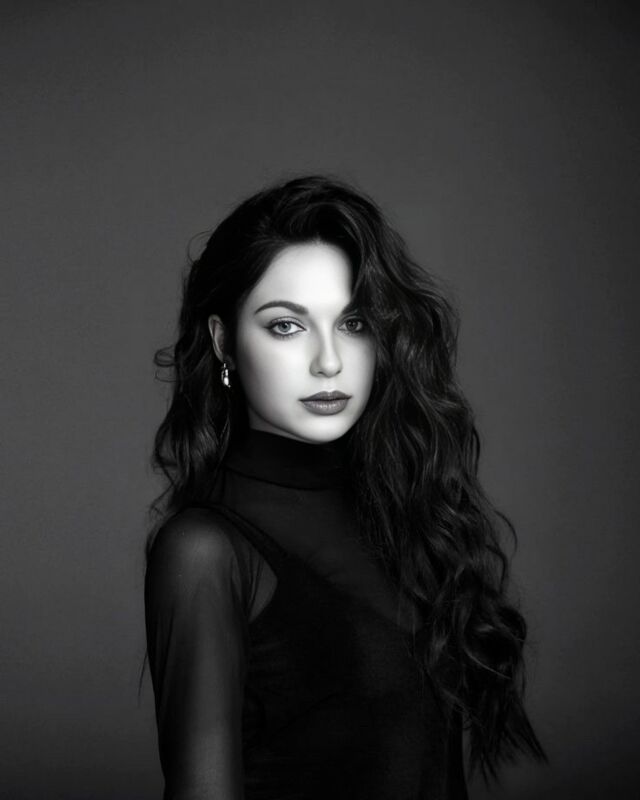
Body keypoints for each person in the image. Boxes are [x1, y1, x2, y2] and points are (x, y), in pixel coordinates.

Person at [143, 175, 547, 799]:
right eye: (287, 326)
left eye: (354, 322)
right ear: (224, 341)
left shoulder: (406, 514)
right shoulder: (204, 549)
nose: (328, 361)